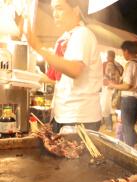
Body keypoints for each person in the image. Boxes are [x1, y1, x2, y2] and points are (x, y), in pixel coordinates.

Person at [26, 0, 102, 133]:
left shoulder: (82, 34)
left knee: (73, 153)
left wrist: (39, 48)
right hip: (62, 114)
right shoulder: (63, 38)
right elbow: (57, 78)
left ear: (76, 10)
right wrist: (27, 76)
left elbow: (74, 70)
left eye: (59, 8)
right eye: (53, 9)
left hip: (79, 117)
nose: (55, 14)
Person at [107, 41, 137, 150]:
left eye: (123, 52)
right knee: (129, 127)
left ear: (127, 51)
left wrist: (113, 85)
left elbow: (128, 85)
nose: (123, 54)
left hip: (130, 99)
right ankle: (136, 149)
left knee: (127, 128)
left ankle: (130, 151)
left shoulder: (131, 64)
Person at [101, 50, 123, 131]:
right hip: (116, 88)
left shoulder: (106, 64)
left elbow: (105, 76)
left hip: (108, 88)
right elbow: (120, 74)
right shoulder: (118, 65)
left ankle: (109, 127)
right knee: (115, 107)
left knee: (106, 108)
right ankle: (118, 126)